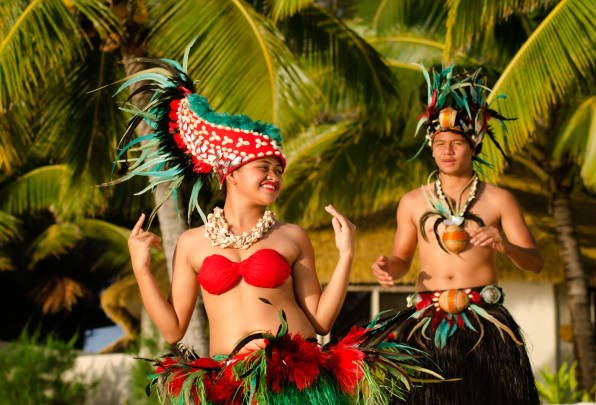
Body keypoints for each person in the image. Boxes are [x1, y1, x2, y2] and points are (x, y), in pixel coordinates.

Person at [113, 48, 437, 405]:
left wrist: (346, 255)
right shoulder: (192, 243)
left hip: (297, 381)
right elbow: (173, 328)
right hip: (230, 382)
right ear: (230, 173)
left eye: (279, 169)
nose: (274, 176)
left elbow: (322, 322)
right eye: (263, 167)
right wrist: (141, 268)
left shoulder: (291, 236)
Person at [371, 66, 543, 404]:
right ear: (430, 147)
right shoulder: (411, 202)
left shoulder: (499, 200)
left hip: (484, 324)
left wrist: (504, 245)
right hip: (426, 322)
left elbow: (535, 263)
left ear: (474, 145)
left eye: (457, 143)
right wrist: (389, 267)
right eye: (439, 143)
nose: (447, 151)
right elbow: (402, 259)